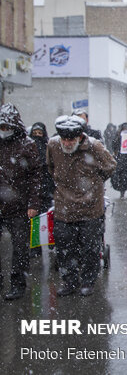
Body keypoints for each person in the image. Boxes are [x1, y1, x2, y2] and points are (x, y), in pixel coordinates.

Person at [47, 115, 117, 296]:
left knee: (90, 248)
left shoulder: (94, 147)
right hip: (64, 207)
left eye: (71, 139)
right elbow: (50, 167)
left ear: (80, 137)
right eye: (64, 139)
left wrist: (95, 183)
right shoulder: (53, 145)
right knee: (64, 248)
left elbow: (110, 166)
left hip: (90, 209)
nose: (67, 143)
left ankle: (88, 281)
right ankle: (69, 281)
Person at [0, 104, 41, 300]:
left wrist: (33, 203)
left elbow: (35, 176)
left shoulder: (27, 145)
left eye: (6, 127)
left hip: (19, 205)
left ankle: (18, 284)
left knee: (20, 248)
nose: (3, 131)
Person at [28, 122, 56, 258]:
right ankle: (36, 245)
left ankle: (50, 240)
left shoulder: (48, 146)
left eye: (40, 133)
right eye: (35, 134)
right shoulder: (28, 148)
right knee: (34, 219)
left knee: (47, 216)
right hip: (34, 190)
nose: (37, 136)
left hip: (46, 188)